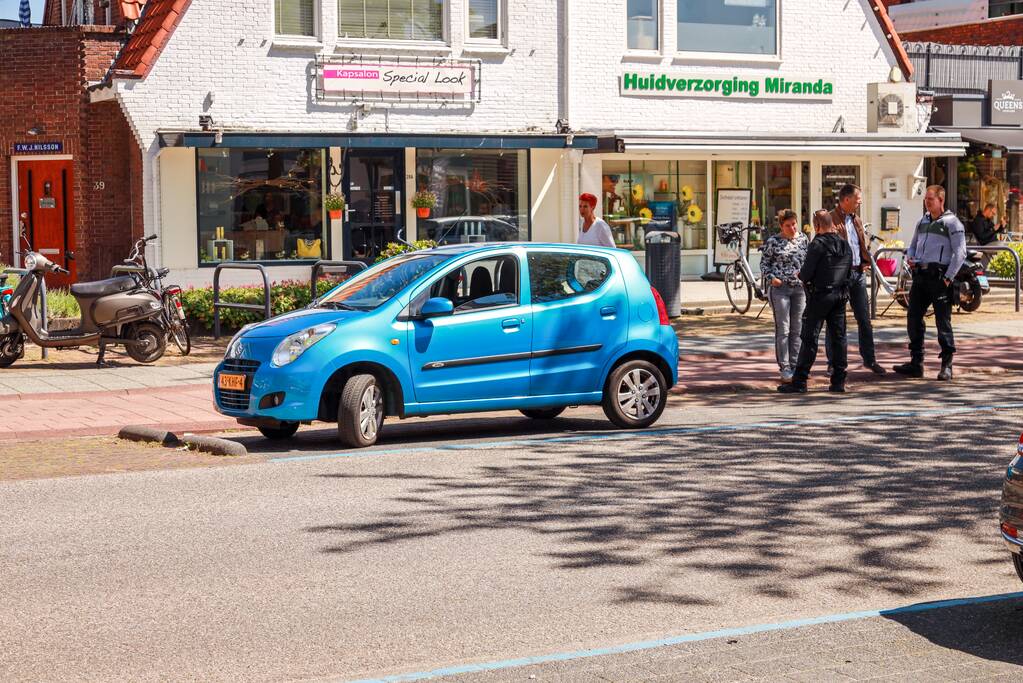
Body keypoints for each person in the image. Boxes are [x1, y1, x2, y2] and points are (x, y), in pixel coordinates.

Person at [893, 185, 966, 381]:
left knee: (943, 322)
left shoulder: (952, 223)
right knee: (913, 318)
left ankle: (946, 365)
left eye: (930, 199)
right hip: (921, 277)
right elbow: (913, 245)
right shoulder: (922, 221)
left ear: (941, 200)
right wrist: (911, 257)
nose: (927, 202)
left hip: (940, 277)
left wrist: (948, 278)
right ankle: (916, 363)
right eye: (925, 199)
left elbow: (960, 253)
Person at [778, 210, 853, 394]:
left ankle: (800, 381)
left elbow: (806, 273)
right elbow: (849, 272)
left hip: (819, 296)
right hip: (840, 297)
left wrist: (800, 275)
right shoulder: (845, 245)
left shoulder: (817, 244)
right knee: (839, 339)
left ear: (817, 226)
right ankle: (838, 381)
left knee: (809, 338)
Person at [830, 184, 886, 376]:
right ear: (846, 200)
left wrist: (864, 260)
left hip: (857, 274)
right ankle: (834, 363)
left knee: (864, 319)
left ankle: (870, 360)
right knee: (837, 322)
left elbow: (860, 244)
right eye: (857, 199)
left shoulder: (857, 220)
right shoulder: (830, 219)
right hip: (839, 276)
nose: (860, 202)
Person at [760, 209, 808, 383]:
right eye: (788, 225)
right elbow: (764, 264)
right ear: (781, 226)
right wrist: (772, 279)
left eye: (794, 224)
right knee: (784, 329)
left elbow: (808, 261)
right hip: (780, 289)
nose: (792, 228)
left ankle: (796, 365)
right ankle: (785, 367)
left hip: (799, 290)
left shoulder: (803, 239)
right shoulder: (773, 241)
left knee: (798, 328)